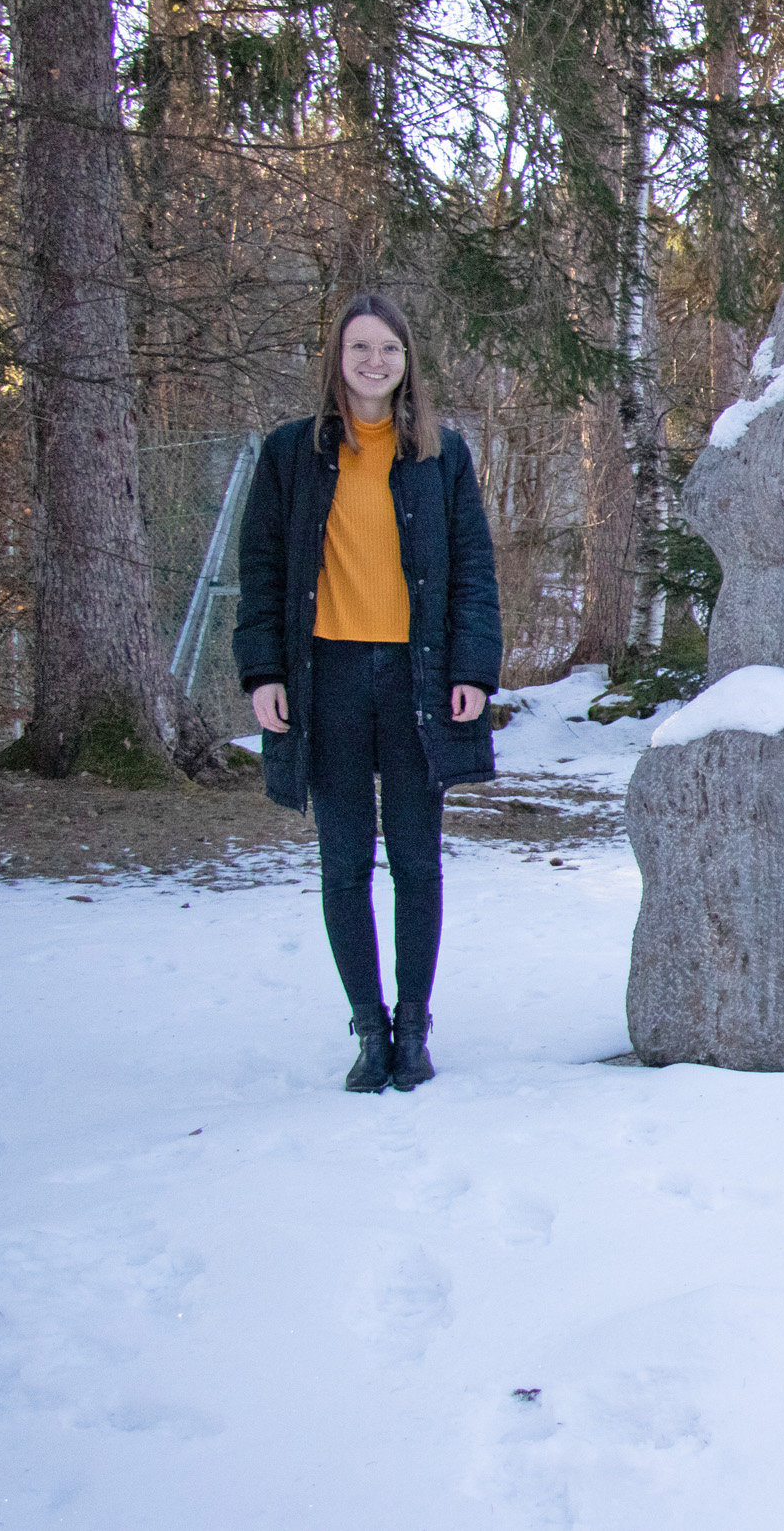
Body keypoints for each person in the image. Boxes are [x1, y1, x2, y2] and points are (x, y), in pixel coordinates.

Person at [233, 293, 504, 1093]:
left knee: (417, 858)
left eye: (388, 348)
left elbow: (473, 571)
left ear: (406, 360)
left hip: (419, 679)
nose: (374, 361)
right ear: (338, 359)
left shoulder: (441, 456)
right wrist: (263, 672)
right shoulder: (291, 454)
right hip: (328, 681)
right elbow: (262, 574)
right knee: (345, 860)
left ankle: (414, 1027)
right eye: (360, 347)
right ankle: (369, 1029)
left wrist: (471, 671)